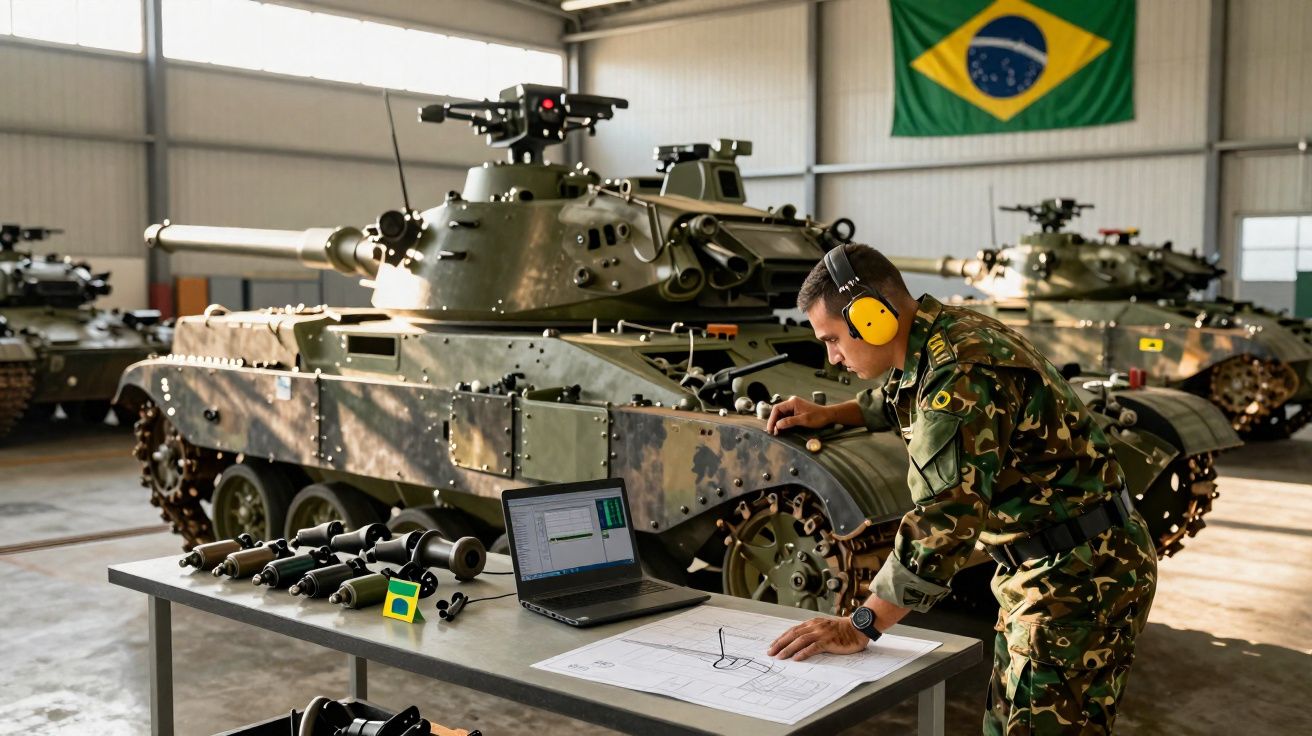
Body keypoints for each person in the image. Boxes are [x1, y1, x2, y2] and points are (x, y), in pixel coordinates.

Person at [764, 243, 1156, 734]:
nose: (833, 356)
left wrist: (859, 624)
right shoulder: (945, 333)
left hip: (1076, 581)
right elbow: (903, 395)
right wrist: (832, 412)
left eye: (833, 338)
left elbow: (943, 523)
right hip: (1058, 565)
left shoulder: (961, 371)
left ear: (873, 318)